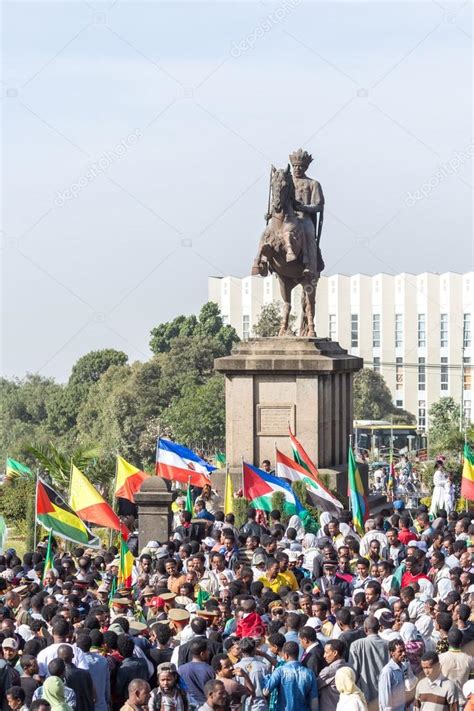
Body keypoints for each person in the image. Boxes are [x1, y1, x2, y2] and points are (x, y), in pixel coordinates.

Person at [263, 641, 318, 711]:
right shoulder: (309, 673)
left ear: (286, 655)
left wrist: (266, 679)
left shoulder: (280, 671)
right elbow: (314, 700)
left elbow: (266, 691)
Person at [348, 616, 389, 706]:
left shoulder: (356, 645)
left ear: (365, 629)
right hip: (386, 695)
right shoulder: (389, 644)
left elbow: (353, 673)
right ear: (379, 628)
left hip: (365, 696)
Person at [439, 628, 474, 707]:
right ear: (461, 641)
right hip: (463, 702)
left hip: (447, 702)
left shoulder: (440, 659)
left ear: (448, 641)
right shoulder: (470, 660)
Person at [178, 638, 215, 708]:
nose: (209, 652)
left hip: (189, 705)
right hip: (206, 706)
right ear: (202, 654)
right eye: (207, 650)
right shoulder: (210, 670)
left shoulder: (181, 669)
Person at [317, 639, 350, 711]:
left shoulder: (329, 671)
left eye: (326, 652)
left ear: (335, 653)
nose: (324, 656)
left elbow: (315, 686)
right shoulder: (349, 667)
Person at [378, 639, 407, 711]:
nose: (403, 653)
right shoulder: (388, 671)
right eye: (400, 651)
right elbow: (385, 700)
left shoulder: (403, 666)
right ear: (392, 653)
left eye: (404, 650)